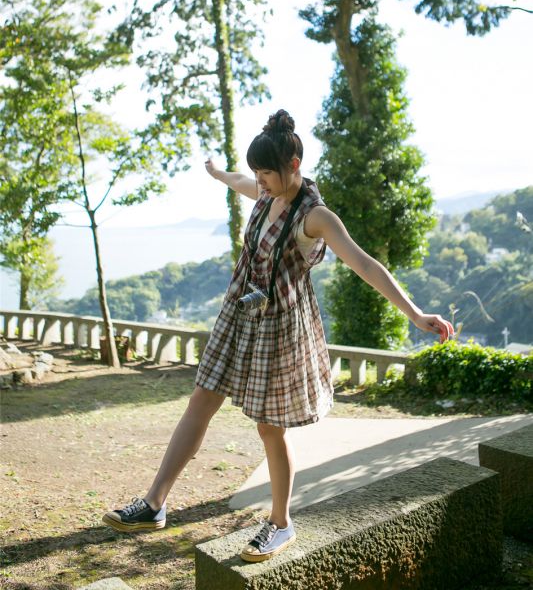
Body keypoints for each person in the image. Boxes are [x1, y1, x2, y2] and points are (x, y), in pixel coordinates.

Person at [102, 109, 454, 561]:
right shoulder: (265, 194)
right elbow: (240, 183)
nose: (259, 181)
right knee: (201, 399)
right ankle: (153, 504)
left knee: (270, 427)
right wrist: (216, 174)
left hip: (281, 326)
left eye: (266, 173)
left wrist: (416, 312)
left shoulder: (316, 216)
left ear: (293, 165)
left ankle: (281, 523)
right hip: (238, 312)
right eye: (256, 174)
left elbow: (365, 264)